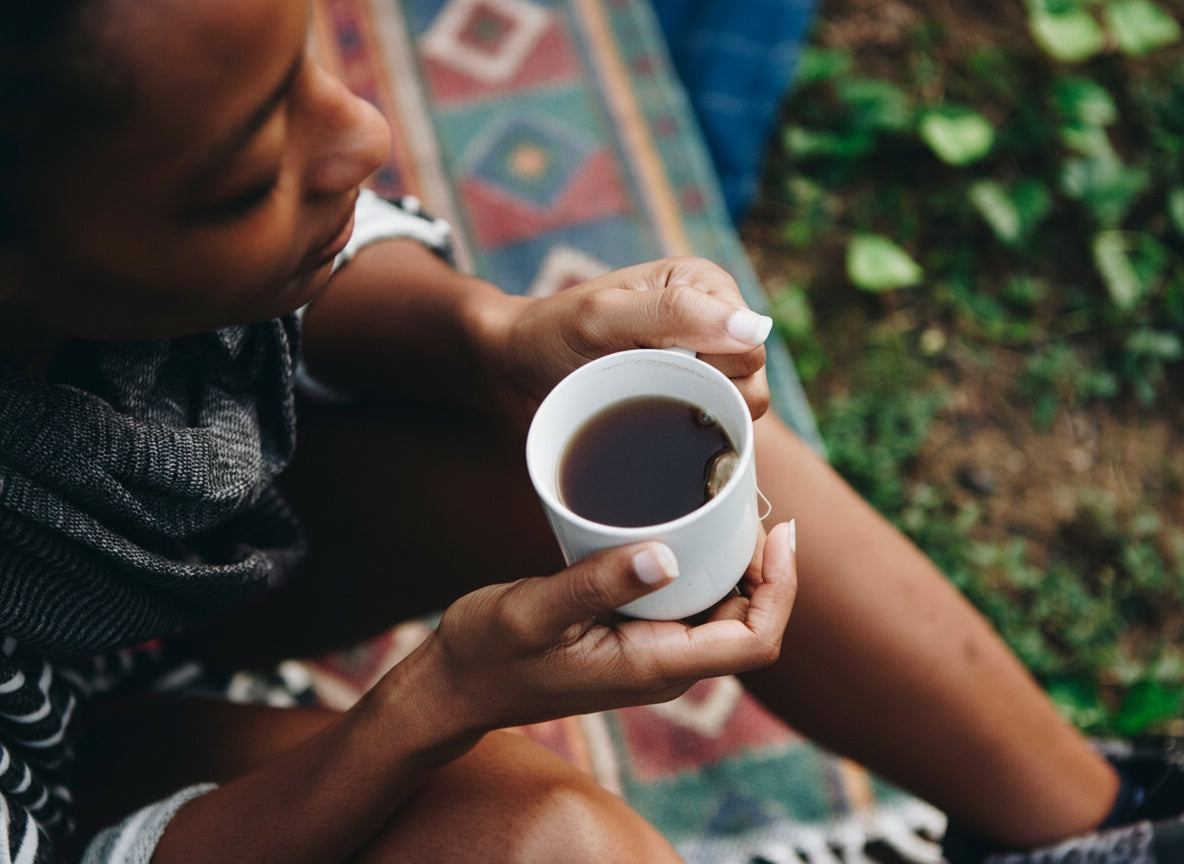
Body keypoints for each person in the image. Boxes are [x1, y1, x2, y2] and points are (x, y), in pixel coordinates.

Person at [0, 1, 1180, 863]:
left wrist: (495, 335)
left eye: (311, 51)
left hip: (167, 571)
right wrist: (432, 702)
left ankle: (1089, 833)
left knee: (647, 437)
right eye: (245, 177)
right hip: (60, 785)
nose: (360, 137)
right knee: (546, 841)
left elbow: (315, 285)